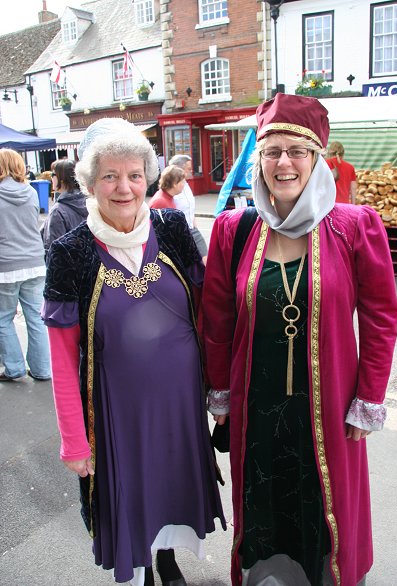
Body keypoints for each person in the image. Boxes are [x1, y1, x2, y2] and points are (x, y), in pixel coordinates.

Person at [201, 93, 397, 586]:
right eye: (272, 151)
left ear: (316, 159)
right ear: (259, 159)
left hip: (329, 404)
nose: (283, 162)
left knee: (324, 503)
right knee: (265, 501)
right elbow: (217, 318)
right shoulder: (234, 229)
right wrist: (220, 392)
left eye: (296, 151)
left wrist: (368, 397)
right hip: (257, 402)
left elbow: (380, 316)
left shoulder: (354, 226)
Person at [41, 118, 226, 586]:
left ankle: (166, 560)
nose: (124, 187)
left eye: (135, 175)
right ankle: (141, 564)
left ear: (148, 176)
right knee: (132, 490)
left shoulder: (174, 227)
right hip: (116, 409)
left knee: (169, 485)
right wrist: (73, 439)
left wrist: (219, 390)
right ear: (90, 182)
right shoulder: (70, 251)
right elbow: (62, 359)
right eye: (109, 176)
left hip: (180, 402)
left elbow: (210, 310)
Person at [0, 149, 51, 382]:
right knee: (36, 317)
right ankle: (41, 369)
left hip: (6, 264)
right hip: (34, 261)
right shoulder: (30, 192)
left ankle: (14, 368)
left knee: (3, 319)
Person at [41, 159, 88, 252]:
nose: (51, 178)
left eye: (52, 175)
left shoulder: (58, 211)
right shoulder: (92, 203)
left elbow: (52, 248)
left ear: (61, 179)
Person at [169, 154, 208, 264]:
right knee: (192, 263)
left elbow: (189, 206)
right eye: (188, 169)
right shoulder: (172, 187)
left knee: (205, 258)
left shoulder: (185, 184)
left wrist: (194, 221)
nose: (191, 171)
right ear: (179, 168)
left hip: (192, 229)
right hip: (181, 233)